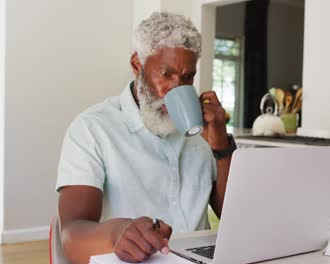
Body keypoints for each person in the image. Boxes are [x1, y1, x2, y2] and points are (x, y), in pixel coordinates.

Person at [56, 12, 236, 264]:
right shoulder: (92, 129)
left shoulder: (201, 130)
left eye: (187, 77)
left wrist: (221, 147)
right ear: (136, 64)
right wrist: (118, 234)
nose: (177, 88)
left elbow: (234, 218)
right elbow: (72, 235)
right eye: (166, 74)